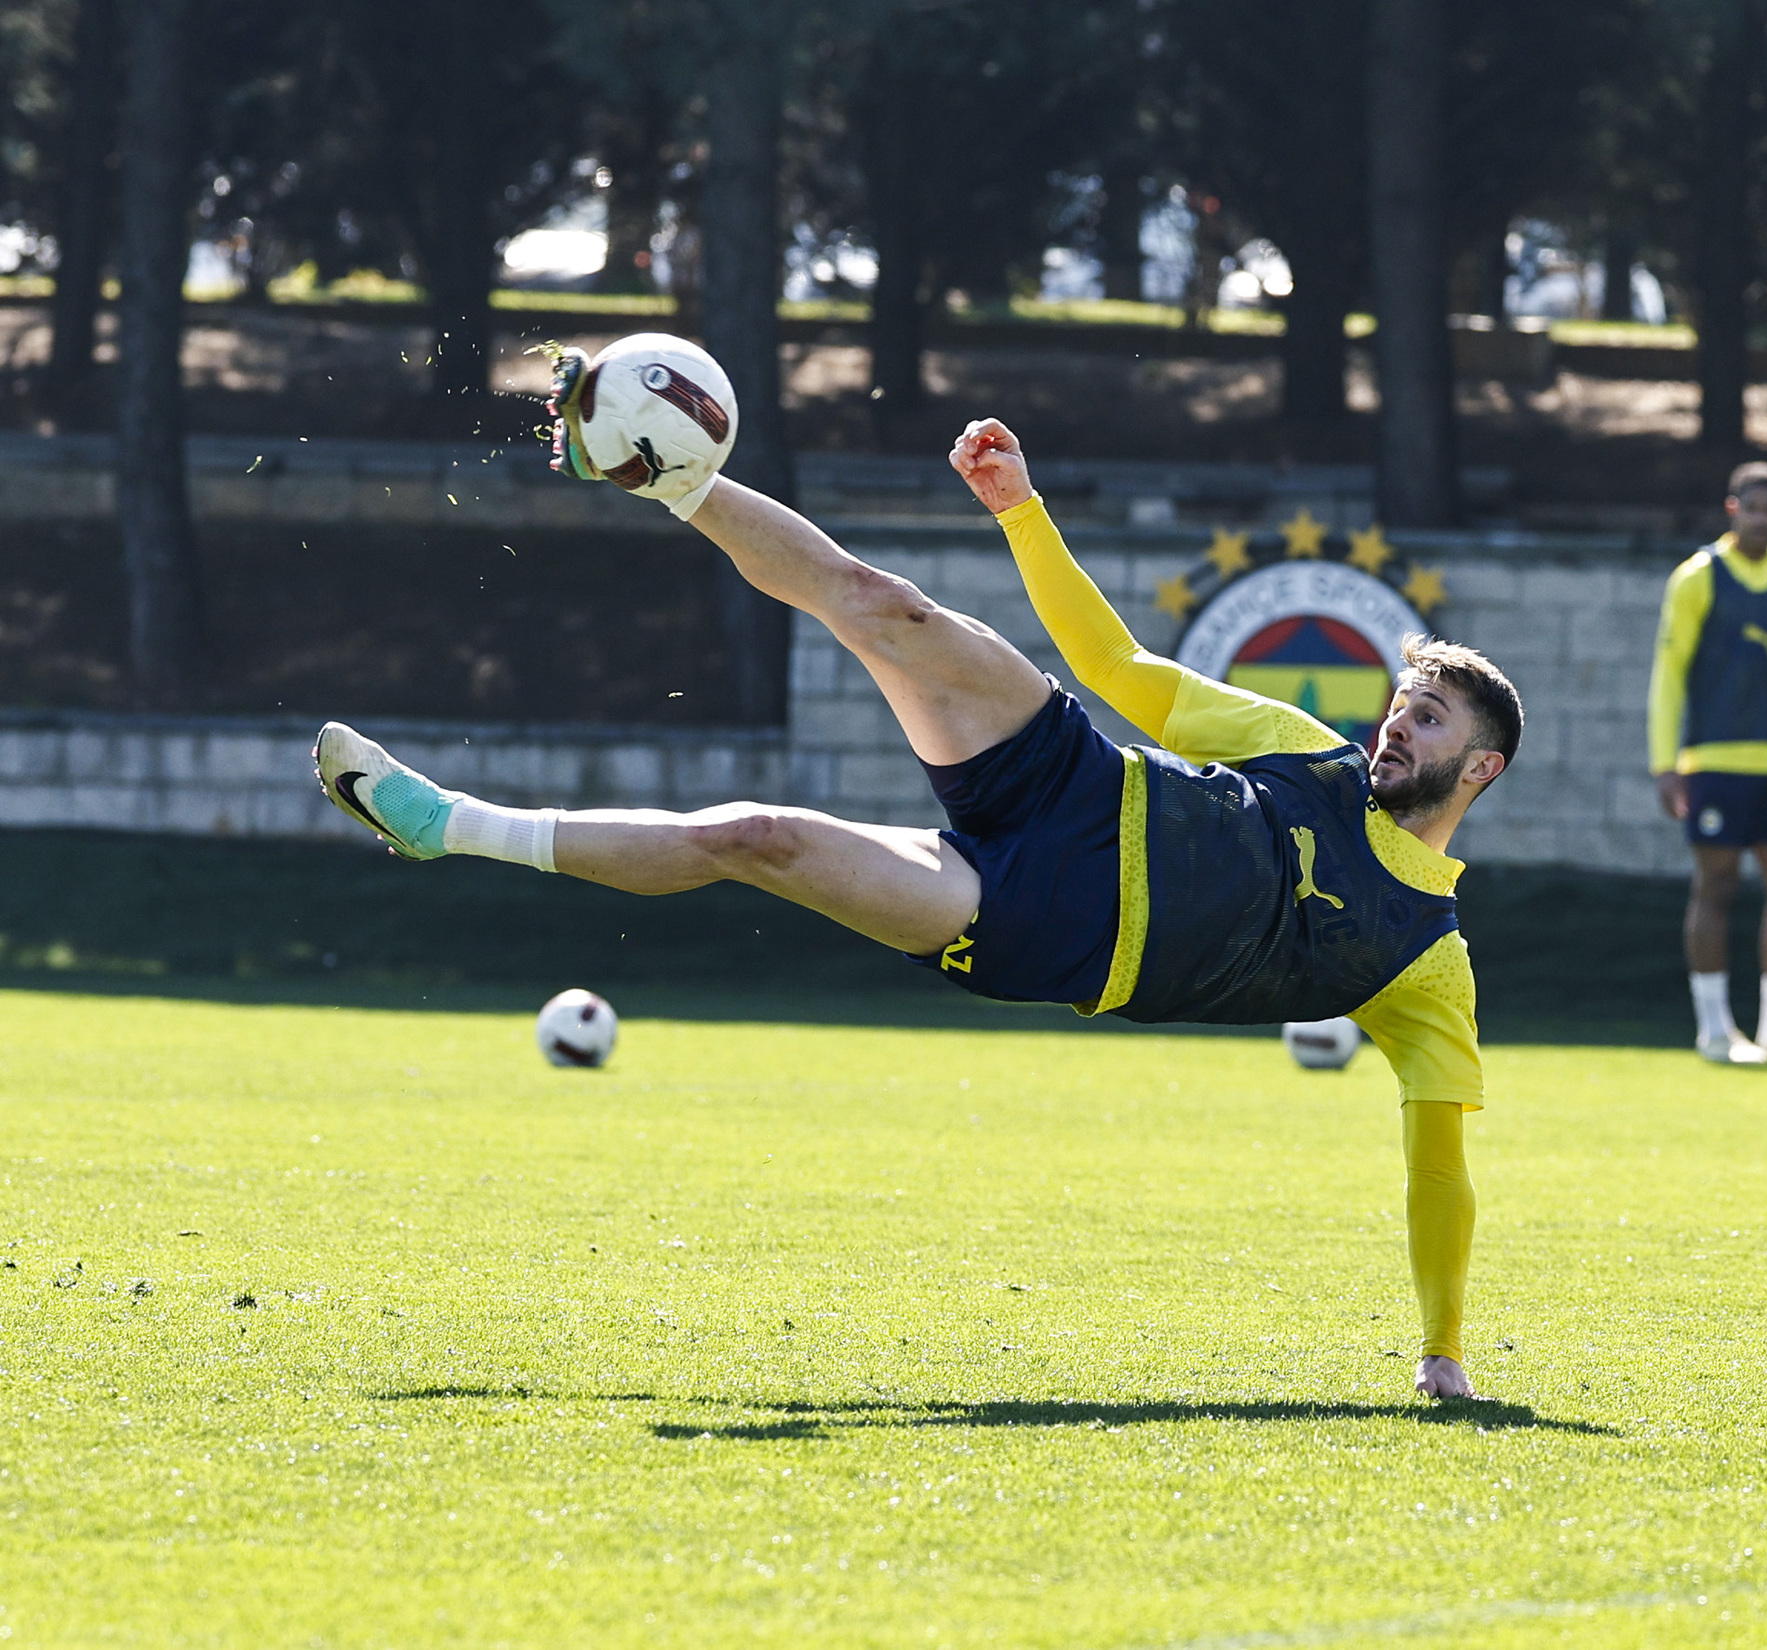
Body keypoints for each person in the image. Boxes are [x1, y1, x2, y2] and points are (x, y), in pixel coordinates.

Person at [313, 415, 1523, 1400]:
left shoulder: (1425, 964)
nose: (1394, 726)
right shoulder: (1301, 751)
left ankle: (449, 828)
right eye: (1401, 705)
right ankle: (647, 461)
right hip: (1073, 779)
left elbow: (1437, 1174)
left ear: (1479, 771)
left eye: (1428, 722)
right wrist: (1021, 514)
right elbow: (1116, 673)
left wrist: (1443, 1351)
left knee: (756, 839)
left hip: (1031, 921)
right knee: (878, 600)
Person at [1648, 461, 1767, 1066]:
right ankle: (1714, 1031)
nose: (1761, 518)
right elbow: (1670, 671)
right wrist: (1664, 762)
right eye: (1749, 508)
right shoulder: (1698, 576)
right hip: (1713, 759)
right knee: (1717, 885)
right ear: (1732, 510)